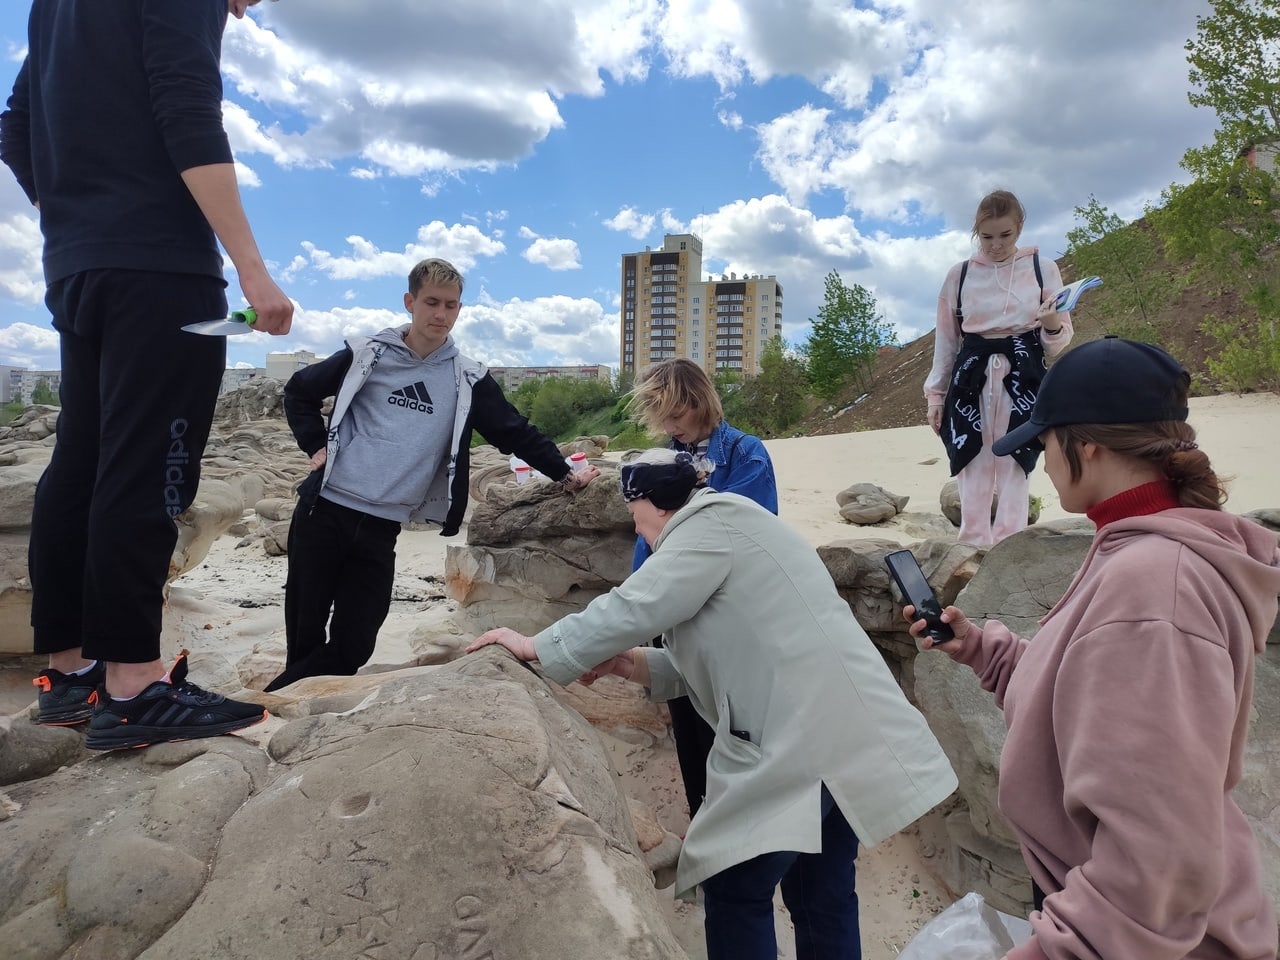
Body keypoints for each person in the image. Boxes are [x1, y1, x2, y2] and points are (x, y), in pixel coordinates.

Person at [469, 449, 957, 960]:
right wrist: (627, 664)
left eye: (636, 521)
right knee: (821, 894)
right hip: (843, 736)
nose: (639, 535)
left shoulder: (708, 527)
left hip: (799, 742)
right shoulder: (735, 529)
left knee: (732, 887)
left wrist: (538, 645)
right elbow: (726, 655)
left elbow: (634, 604)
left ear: (654, 504)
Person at [905, 337, 1280, 960]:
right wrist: (981, 650)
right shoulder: (1134, 548)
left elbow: (1154, 862)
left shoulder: (1156, 585)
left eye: (1044, 442)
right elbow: (1092, 698)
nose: (1042, 461)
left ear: (1089, 446)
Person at [0, 0, 294, 750]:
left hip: (80, 267)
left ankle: (72, 675)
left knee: (83, 458)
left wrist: (81, 219)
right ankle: (135, 685)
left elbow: (16, 124)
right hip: (160, 268)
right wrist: (253, 272)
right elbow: (187, 108)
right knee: (150, 465)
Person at [265, 257, 600, 692]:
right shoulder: (367, 353)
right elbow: (299, 392)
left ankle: (270, 699)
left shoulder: (467, 376)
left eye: (452, 305)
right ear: (410, 302)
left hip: (382, 528)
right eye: (432, 303)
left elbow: (513, 430)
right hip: (323, 512)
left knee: (355, 643)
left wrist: (566, 475)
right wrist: (315, 444)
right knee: (304, 635)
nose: (441, 314)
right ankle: (291, 710)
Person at [628, 358, 778, 819]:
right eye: (661, 418)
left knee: (731, 727)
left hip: (726, 617)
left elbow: (747, 534)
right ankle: (703, 818)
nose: (670, 426)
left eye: (677, 414)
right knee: (688, 729)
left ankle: (743, 824)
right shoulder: (660, 460)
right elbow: (645, 537)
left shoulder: (746, 454)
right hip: (672, 614)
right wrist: (637, 598)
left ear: (700, 402)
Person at [925, 189, 1074, 547]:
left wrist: (1051, 321)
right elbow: (946, 341)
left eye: (1005, 235)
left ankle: (1011, 542)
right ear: (977, 233)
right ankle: (971, 542)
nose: (996, 245)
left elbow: (1059, 340)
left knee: (1015, 458)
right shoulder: (959, 275)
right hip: (971, 375)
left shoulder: (1042, 269)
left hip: (1024, 371)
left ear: (1019, 228)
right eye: (987, 236)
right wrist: (935, 395)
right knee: (971, 459)